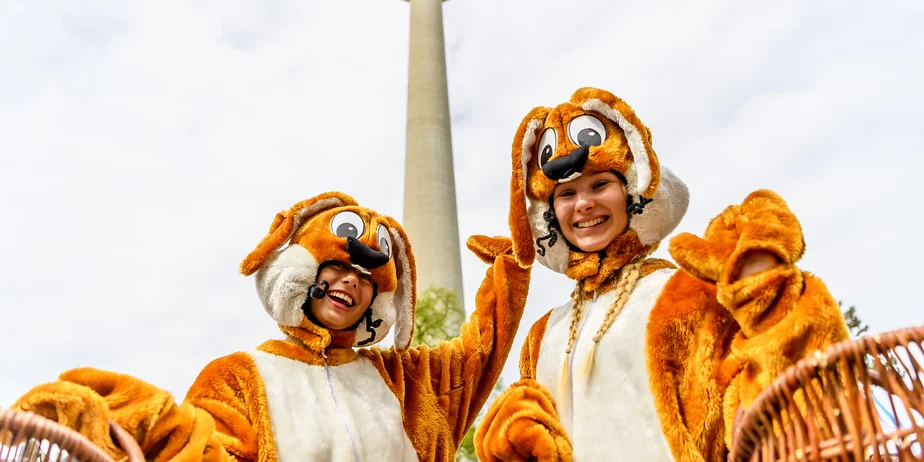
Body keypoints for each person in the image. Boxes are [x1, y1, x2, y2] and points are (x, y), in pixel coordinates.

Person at [11, 191, 530, 462]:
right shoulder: (239, 377)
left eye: (367, 278)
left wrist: (513, 268)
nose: (351, 283)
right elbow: (205, 453)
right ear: (304, 271)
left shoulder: (409, 383)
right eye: (339, 268)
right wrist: (147, 429)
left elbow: (478, 352)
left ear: (379, 298)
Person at [474, 88, 850, 461]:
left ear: (632, 190)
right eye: (566, 193)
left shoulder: (686, 292)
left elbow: (770, 408)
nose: (584, 203)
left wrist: (765, 288)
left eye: (600, 184)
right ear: (550, 213)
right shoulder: (542, 335)